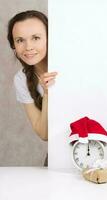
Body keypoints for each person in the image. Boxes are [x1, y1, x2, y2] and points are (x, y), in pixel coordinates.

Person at [7, 10, 57, 166]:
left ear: (49, 38)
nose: (28, 47)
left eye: (35, 38)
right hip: (57, 155)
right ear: (13, 45)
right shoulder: (21, 79)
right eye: (20, 40)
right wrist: (48, 94)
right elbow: (44, 134)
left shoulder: (67, 66)